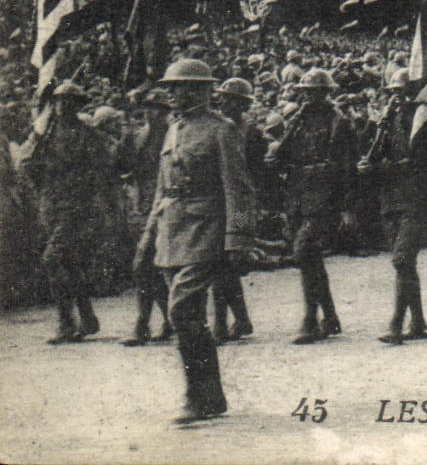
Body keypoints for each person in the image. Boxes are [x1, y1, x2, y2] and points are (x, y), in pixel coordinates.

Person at [143, 59, 254, 424]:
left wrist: (237, 237)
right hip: (172, 231)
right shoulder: (172, 129)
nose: (172, 93)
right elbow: (163, 187)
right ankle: (211, 396)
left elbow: (239, 189)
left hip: (206, 229)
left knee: (181, 310)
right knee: (187, 317)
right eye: (171, 87)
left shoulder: (222, 130)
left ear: (200, 90)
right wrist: (149, 231)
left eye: (180, 86)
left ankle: (195, 394)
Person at [359, 69, 427, 344]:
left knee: (402, 259)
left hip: (417, 200)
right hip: (391, 200)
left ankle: (396, 324)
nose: (395, 97)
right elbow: (376, 156)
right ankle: (417, 322)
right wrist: (371, 165)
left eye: (401, 92)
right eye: (392, 92)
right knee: (405, 264)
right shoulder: (386, 123)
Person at [265, 67, 356, 344]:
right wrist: (275, 158)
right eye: (303, 92)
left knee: (303, 250)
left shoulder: (339, 122)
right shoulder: (298, 120)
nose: (306, 96)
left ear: (325, 93)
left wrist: (347, 208)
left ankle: (310, 319)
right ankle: (330, 317)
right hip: (298, 194)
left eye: (312, 92)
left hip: (326, 196)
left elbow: (350, 168)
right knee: (311, 257)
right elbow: (284, 153)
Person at [19, 80, 111, 344]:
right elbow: (26, 163)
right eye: (58, 101)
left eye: (69, 102)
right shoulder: (44, 132)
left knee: (52, 259)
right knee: (68, 263)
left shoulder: (88, 134)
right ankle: (87, 317)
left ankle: (65, 323)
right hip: (51, 204)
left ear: (77, 106)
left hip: (78, 206)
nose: (62, 106)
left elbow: (102, 169)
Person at [117, 86, 174, 346]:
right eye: (148, 108)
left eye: (157, 109)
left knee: (149, 265)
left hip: (168, 206)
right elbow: (126, 166)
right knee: (146, 266)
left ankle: (145, 325)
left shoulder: (173, 135)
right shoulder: (139, 136)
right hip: (144, 206)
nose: (152, 113)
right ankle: (159, 322)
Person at [209, 78, 257, 342]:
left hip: (240, 205)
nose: (225, 102)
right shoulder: (218, 128)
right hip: (221, 204)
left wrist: (243, 222)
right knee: (223, 265)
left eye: (232, 99)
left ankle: (223, 323)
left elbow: (255, 176)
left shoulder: (251, 132)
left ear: (243, 104)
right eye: (224, 98)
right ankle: (239, 320)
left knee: (228, 263)